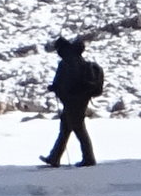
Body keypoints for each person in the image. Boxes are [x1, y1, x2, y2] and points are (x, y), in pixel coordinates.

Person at [43, 34, 103, 168]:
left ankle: (88, 158)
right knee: (66, 129)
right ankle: (54, 157)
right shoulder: (76, 60)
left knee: (78, 129)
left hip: (73, 102)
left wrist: (56, 88)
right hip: (79, 100)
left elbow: (68, 83)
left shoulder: (69, 62)